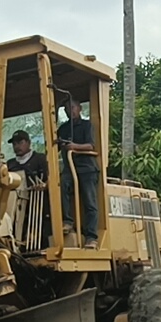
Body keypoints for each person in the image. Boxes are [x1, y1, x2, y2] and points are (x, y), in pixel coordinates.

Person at [56, 98, 99, 249]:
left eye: (72, 107)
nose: (70, 110)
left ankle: (91, 237)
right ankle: (67, 221)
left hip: (87, 168)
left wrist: (74, 146)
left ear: (79, 108)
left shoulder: (87, 126)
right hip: (70, 168)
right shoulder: (63, 129)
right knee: (61, 186)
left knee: (90, 203)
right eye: (66, 108)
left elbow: (90, 145)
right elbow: (54, 145)